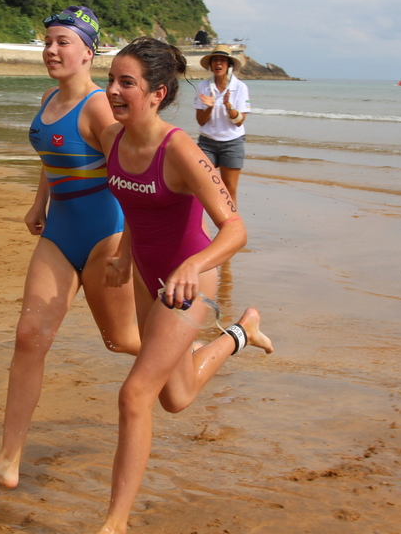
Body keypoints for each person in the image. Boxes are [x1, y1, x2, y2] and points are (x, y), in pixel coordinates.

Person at [95, 37, 273, 534]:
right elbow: (134, 204)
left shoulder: (182, 151)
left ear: (157, 93)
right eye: (111, 80)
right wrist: (123, 255)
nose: (113, 91)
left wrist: (194, 265)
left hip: (189, 283)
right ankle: (241, 334)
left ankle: (114, 525)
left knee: (135, 395)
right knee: (176, 397)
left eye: (126, 83)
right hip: (146, 276)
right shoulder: (112, 138)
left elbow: (235, 230)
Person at [0, 6, 141, 488]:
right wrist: (38, 202)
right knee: (29, 336)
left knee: (123, 341)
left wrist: (128, 250)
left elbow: (132, 173)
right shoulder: (49, 97)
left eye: (63, 42)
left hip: (105, 235)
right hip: (59, 232)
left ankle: (208, 343)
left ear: (88, 53)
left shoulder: (99, 107)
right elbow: (53, 155)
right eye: (47, 41)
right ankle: (8, 461)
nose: (51, 50)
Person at [194, 44, 250, 205]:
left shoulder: (239, 87)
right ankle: (200, 221)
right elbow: (200, 120)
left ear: (229, 64)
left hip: (232, 143)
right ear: (210, 65)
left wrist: (227, 105)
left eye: (222, 60)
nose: (218, 63)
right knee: (202, 186)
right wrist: (210, 107)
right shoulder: (203, 86)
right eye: (215, 60)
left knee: (229, 190)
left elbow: (239, 121)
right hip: (207, 142)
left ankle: (232, 221)